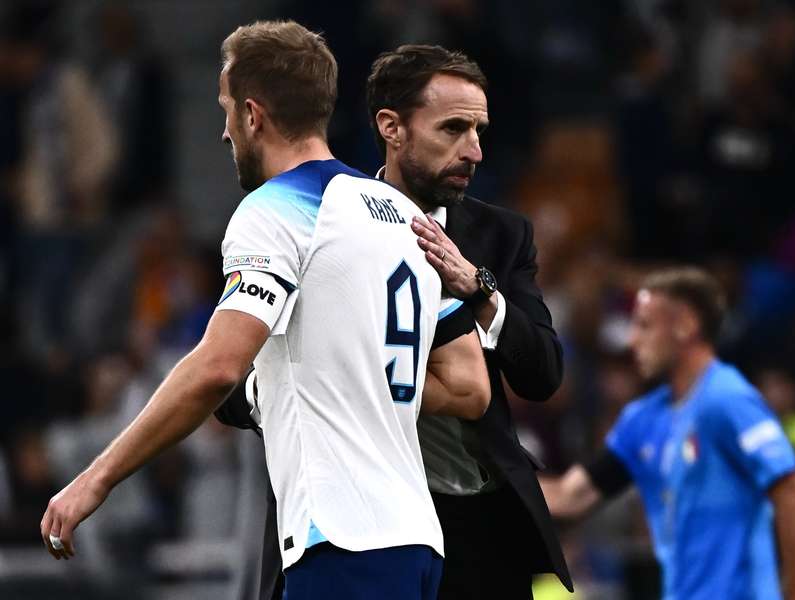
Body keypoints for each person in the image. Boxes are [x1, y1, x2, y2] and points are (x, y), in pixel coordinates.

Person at [40, 20, 491, 600]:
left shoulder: (274, 210)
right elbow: (469, 386)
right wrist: (305, 381)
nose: (226, 133)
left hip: (343, 541)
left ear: (253, 115)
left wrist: (95, 479)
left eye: (226, 109)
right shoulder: (402, 213)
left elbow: (219, 365)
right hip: (415, 539)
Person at [217, 44, 572, 600]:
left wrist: (476, 289)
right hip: (353, 516)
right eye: (453, 129)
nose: (474, 150)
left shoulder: (501, 237)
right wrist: (350, 378)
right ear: (392, 127)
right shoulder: (321, 214)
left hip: (475, 522)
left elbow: (544, 374)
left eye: (479, 131)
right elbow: (232, 385)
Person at [540, 267, 795, 600]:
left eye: (645, 326)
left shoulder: (726, 399)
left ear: (685, 325)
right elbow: (571, 496)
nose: (633, 340)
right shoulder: (641, 420)